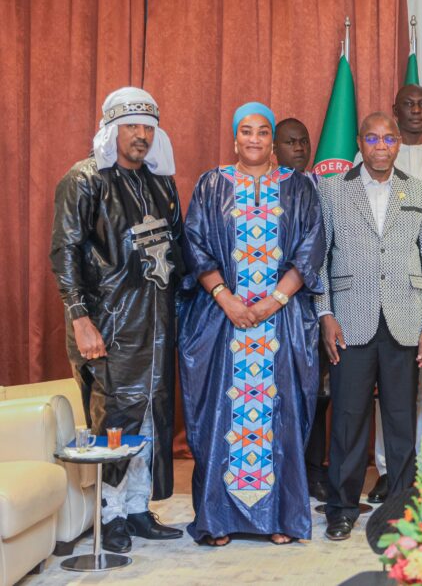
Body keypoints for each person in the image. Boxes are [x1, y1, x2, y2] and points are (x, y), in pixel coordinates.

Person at [179, 102, 325, 546]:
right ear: (235, 137)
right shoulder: (211, 184)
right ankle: (218, 519)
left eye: (263, 131)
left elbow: (312, 247)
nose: (255, 139)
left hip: (282, 323)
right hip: (223, 322)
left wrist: (272, 302)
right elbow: (194, 244)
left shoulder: (299, 186)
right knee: (219, 415)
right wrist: (226, 299)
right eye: (247, 131)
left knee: (284, 415)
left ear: (272, 140)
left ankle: (280, 518)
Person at [50, 86, 184, 553]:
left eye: (148, 126)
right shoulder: (84, 180)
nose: (141, 135)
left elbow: (177, 251)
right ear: (111, 129)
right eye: (132, 126)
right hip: (107, 324)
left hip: (157, 324)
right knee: (114, 418)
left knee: (149, 415)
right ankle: (110, 515)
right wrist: (80, 319)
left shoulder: (160, 183)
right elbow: (64, 252)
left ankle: (137, 508)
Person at [316, 112, 422, 541]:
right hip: (349, 321)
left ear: (398, 144)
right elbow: (319, 260)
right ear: (360, 143)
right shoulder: (332, 190)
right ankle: (341, 509)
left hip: (404, 320)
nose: (381, 146)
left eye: (389, 139)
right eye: (372, 139)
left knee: (401, 422)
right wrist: (325, 314)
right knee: (348, 419)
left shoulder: (420, 192)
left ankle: (401, 510)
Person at [354, 85, 422, 504]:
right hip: (383, 290)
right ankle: (390, 471)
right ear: (396, 111)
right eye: (408, 104)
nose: (416, 110)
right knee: (390, 388)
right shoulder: (373, 153)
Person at [273, 117, 331, 504]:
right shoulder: (264, 189)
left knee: (318, 392)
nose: (299, 148)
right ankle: (279, 470)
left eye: (304, 141)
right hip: (276, 307)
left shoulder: (324, 187)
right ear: (274, 148)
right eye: (290, 142)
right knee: (278, 392)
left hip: (317, 305)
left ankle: (313, 470)